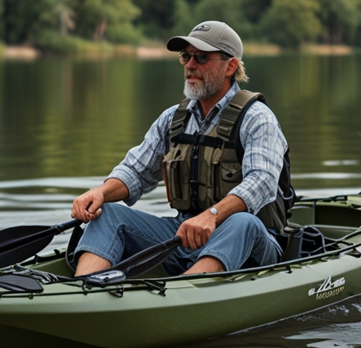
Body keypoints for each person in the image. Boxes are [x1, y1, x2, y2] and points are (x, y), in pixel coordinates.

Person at [70, 21, 291, 276]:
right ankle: (85, 292)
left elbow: (262, 182)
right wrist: (100, 193)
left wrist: (212, 215)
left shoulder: (257, 118)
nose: (190, 65)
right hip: (184, 234)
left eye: (202, 57)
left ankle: (183, 298)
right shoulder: (172, 119)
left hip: (250, 242)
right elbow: (137, 171)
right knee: (107, 213)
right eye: (186, 56)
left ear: (230, 66)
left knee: (243, 222)